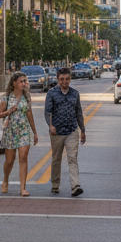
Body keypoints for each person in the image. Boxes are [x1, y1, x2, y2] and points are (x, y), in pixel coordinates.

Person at [45, 68, 86, 197]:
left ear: (70, 79)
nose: (64, 81)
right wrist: (50, 125)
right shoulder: (51, 93)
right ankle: (55, 184)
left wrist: (82, 130)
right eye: (62, 79)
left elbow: (79, 112)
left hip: (72, 130)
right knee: (56, 159)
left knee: (72, 158)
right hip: (57, 131)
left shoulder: (75, 93)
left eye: (67, 79)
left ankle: (75, 185)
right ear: (58, 80)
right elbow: (47, 112)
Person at [0, 72, 37, 196]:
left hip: (24, 131)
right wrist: (9, 111)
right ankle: (5, 180)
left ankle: (23, 188)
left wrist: (34, 132)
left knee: (23, 159)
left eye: (25, 81)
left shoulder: (27, 96)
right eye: (21, 81)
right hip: (10, 131)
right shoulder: (6, 97)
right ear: (14, 83)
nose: (24, 84)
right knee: (10, 161)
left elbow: (29, 114)